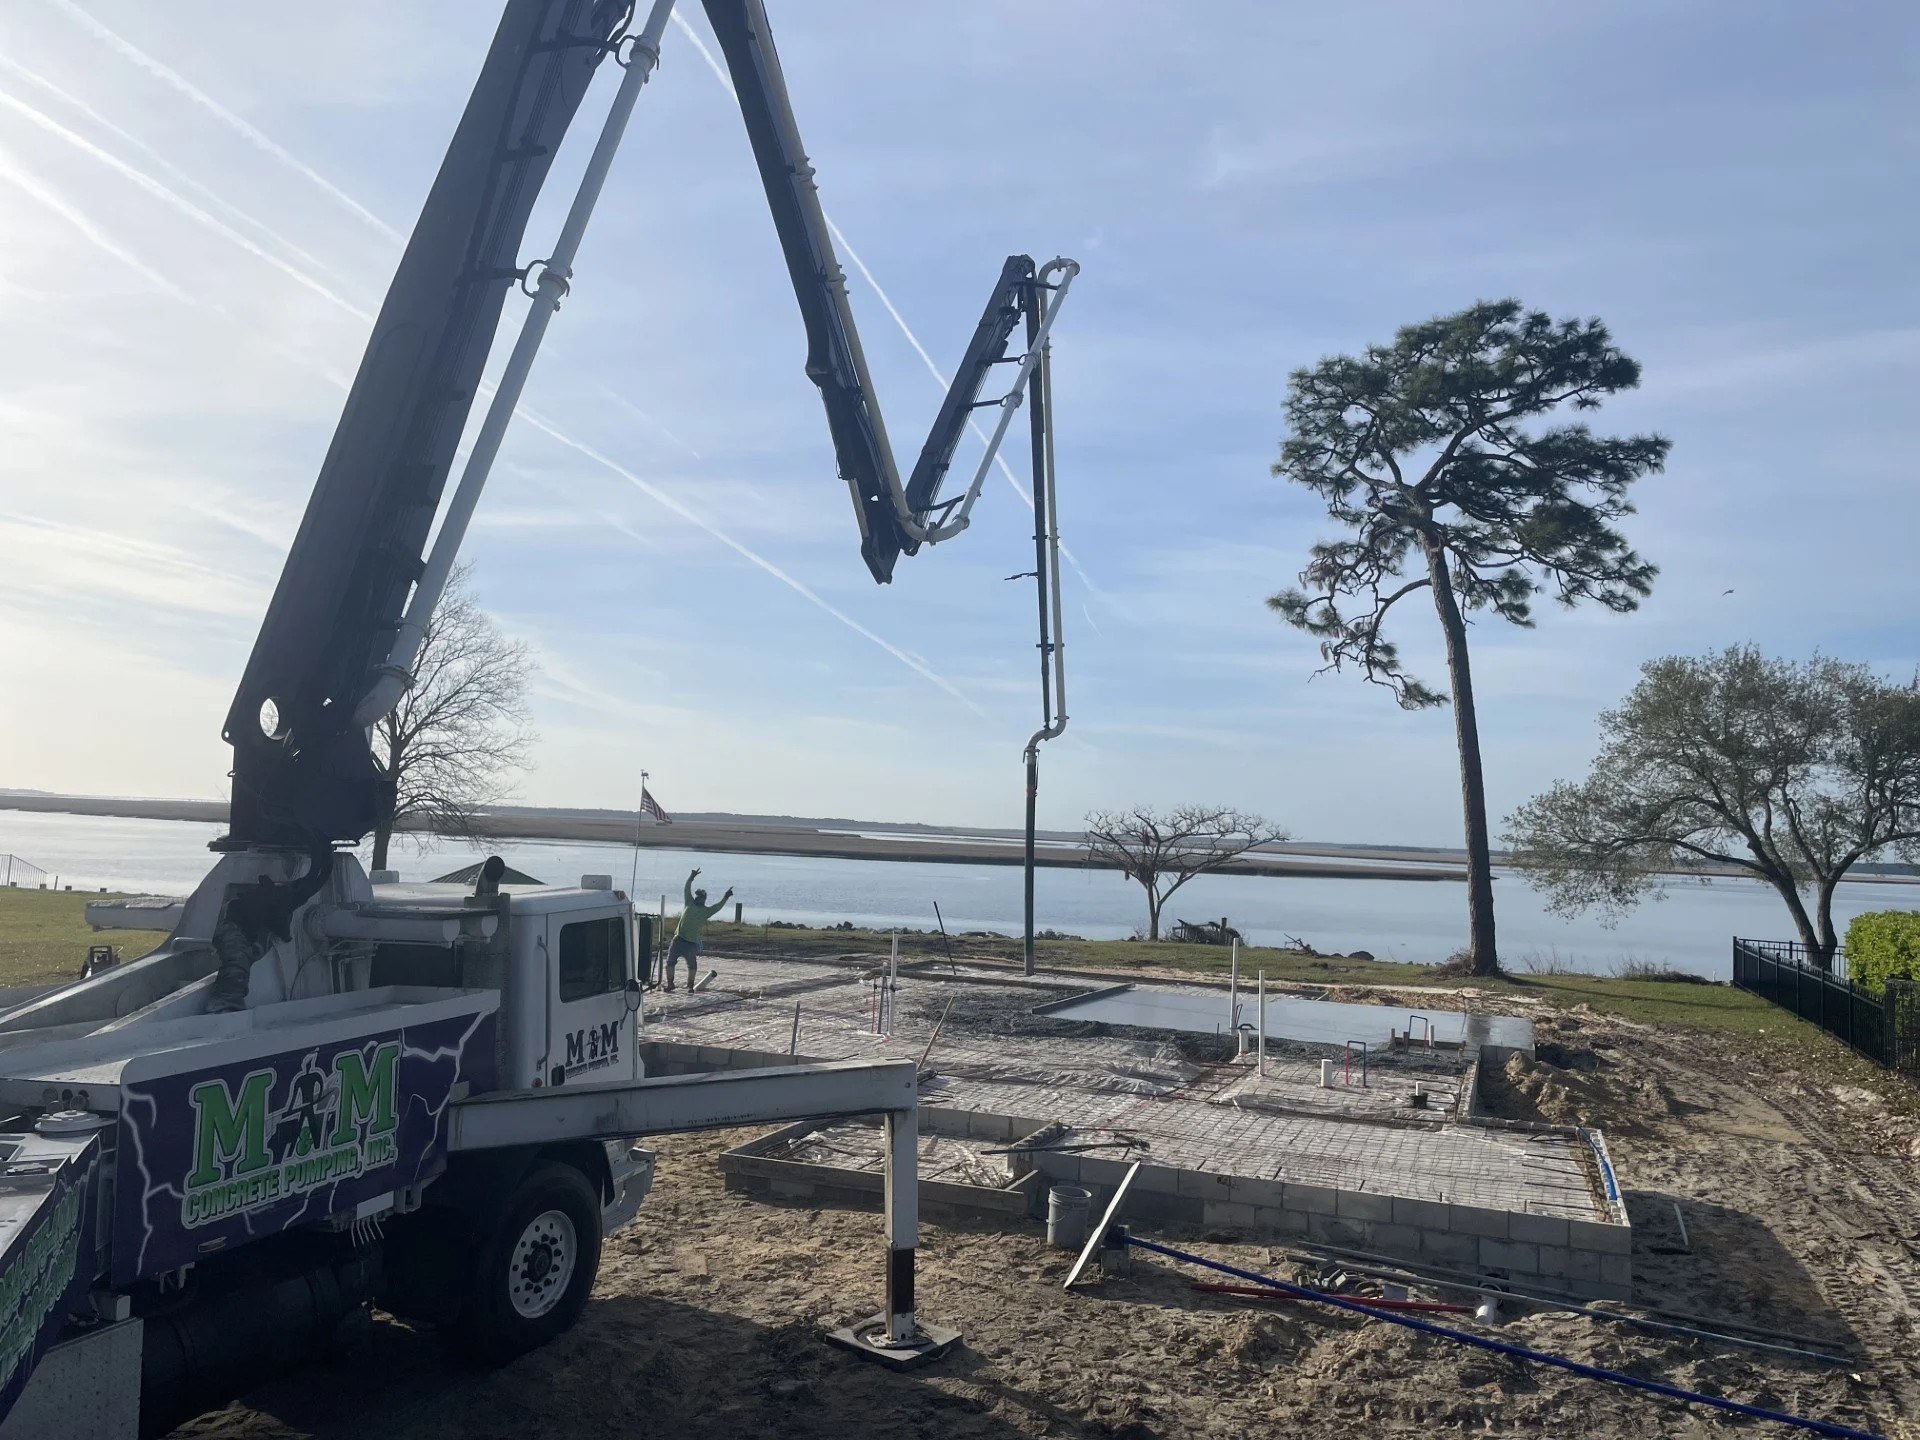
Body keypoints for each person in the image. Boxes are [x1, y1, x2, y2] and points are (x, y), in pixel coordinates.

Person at [666, 867, 731, 992]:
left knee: (692, 965)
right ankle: (670, 984)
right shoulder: (689, 902)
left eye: (700, 897)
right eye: (697, 896)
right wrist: (691, 877)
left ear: (704, 899)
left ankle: (690, 986)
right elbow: (686, 888)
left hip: (691, 943)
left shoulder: (706, 911)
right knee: (670, 962)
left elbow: (717, 907)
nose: (697, 898)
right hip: (678, 938)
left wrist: (725, 897)